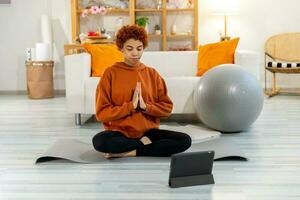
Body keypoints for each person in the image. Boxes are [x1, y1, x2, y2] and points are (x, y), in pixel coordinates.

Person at [92, 25, 191, 159]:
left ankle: (132, 151)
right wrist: (130, 107)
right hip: (120, 133)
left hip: (149, 133)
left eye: (139, 48)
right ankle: (143, 146)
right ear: (121, 48)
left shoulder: (152, 73)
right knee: (99, 141)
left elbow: (167, 108)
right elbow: (101, 113)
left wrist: (146, 107)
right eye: (129, 48)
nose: (135, 53)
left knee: (185, 140)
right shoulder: (110, 74)